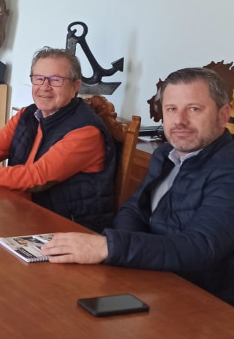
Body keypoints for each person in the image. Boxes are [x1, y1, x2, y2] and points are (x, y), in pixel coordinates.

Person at [41, 67, 234, 306]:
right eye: (171, 109)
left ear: (222, 115)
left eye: (194, 109)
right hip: (150, 281)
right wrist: (122, 259)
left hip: (204, 304)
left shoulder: (228, 167)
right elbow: (133, 211)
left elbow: (201, 248)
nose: (180, 121)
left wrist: (110, 247)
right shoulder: (166, 154)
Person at [0, 47, 116, 231]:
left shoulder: (86, 131)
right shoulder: (28, 115)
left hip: (69, 229)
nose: (44, 87)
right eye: (38, 78)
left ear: (75, 86)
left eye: (56, 80)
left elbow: (36, 177)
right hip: (25, 213)